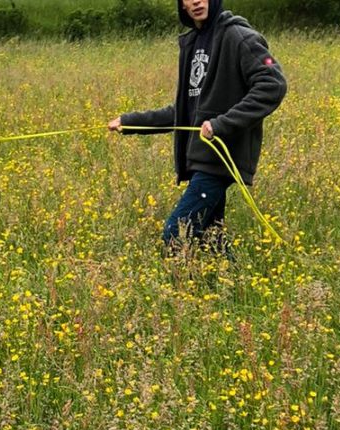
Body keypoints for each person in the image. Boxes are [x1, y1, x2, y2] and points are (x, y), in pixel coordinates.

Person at [108, 0, 286, 254]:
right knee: (211, 238)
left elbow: (273, 85)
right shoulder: (193, 42)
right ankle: (230, 287)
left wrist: (222, 124)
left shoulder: (238, 36)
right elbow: (185, 113)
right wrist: (130, 122)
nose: (195, 1)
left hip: (219, 156)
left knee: (176, 232)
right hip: (203, 157)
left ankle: (181, 291)